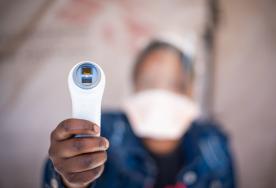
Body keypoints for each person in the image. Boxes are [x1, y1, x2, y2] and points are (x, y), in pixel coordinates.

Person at [43, 40, 236, 188]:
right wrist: (67, 180)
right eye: (149, 83)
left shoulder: (214, 143)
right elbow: (59, 173)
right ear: (133, 87)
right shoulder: (99, 131)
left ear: (191, 91)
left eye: (175, 84)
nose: (161, 93)